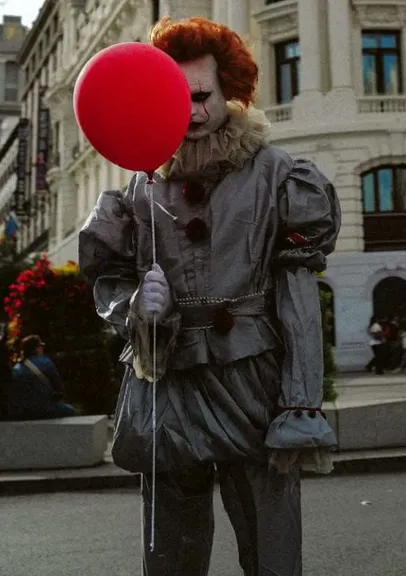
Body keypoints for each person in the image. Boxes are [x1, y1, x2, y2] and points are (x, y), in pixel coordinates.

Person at [77, 17, 339, 576]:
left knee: (269, 537)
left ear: (229, 91)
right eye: (178, 99)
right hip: (169, 381)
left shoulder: (278, 175)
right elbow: (111, 278)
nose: (192, 113)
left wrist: (300, 401)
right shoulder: (142, 183)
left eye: (202, 97)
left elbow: (298, 297)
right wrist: (136, 309)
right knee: (170, 539)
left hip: (254, 380)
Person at [5, 335, 77, 420]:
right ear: (36, 349)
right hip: (45, 408)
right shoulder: (45, 362)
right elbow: (59, 387)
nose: (42, 349)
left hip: (24, 411)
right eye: (41, 346)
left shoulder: (16, 369)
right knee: (71, 411)